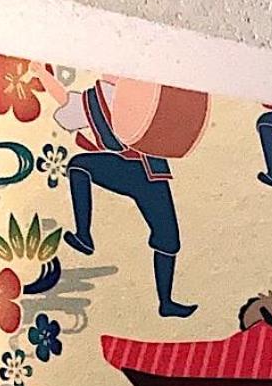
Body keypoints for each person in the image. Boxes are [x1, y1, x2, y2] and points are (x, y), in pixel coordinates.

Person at [30, 67, 200, 318]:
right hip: (122, 166)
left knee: (168, 238)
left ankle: (166, 302)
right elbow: (64, 99)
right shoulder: (93, 100)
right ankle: (84, 236)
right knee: (78, 165)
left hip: (149, 172)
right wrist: (42, 74)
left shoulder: (146, 94)